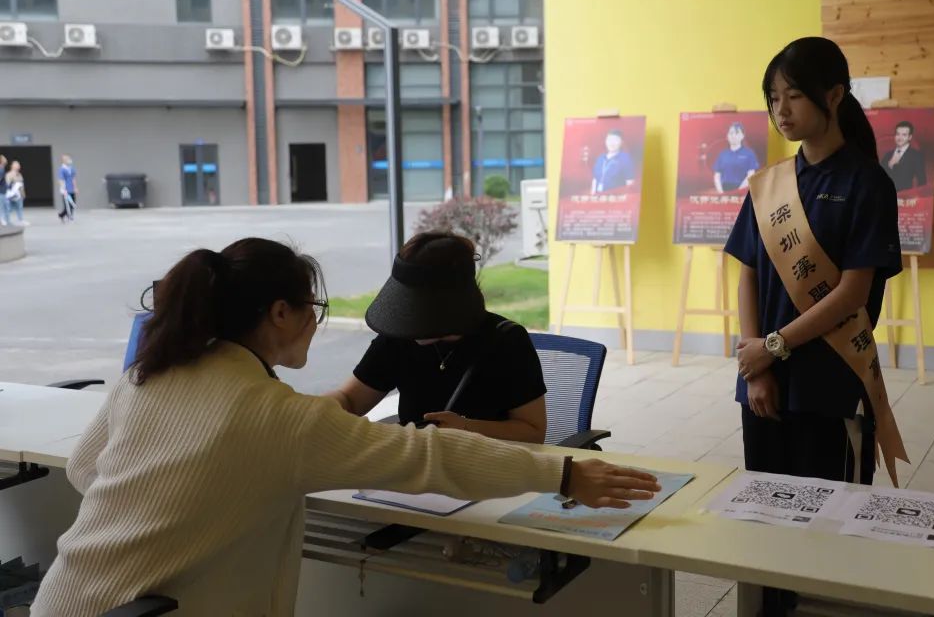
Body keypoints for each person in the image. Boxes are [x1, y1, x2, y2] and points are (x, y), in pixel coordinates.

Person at [31, 238, 659, 616]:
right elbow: (429, 458)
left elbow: (87, 471)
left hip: (65, 600)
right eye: (313, 307)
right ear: (281, 312)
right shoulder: (278, 419)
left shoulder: (148, 373)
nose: (317, 320)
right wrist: (564, 475)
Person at [725, 37, 904, 615]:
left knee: (831, 525)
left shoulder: (867, 184)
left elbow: (853, 293)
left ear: (834, 95)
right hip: (764, 385)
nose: (780, 110)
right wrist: (757, 366)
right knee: (766, 518)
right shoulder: (769, 183)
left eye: (794, 95)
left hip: (830, 385)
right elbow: (747, 272)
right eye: (772, 98)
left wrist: (773, 347)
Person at [329, 232, 548, 443]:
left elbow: (533, 431)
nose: (405, 319)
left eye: (414, 310)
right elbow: (350, 400)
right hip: (418, 462)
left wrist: (465, 428)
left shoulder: (507, 341)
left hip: (487, 461)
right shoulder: (398, 337)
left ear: (449, 308)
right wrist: (312, 410)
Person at [712, 122, 761, 192]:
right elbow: (717, 175)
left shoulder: (749, 153)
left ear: (742, 136)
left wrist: (738, 191)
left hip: (743, 190)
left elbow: (751, 175)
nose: (733, 136)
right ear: (727, 136)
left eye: (737, 133)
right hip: (724, 190)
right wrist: (721, 192)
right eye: (731, 133)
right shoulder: (722, 154)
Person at [879, 120, 927, 191]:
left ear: (910, 137)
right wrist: (890, 164)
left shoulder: (916, 155)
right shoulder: (888, 155)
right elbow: (879, 177)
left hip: (905, 195)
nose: (899, 138)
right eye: (897, 134)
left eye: (904, 135)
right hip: (885, 194)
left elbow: (922, 180)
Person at [4, 160, 27, 226]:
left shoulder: (20, 174)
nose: (18, 166)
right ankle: (6, 221)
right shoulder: (9, 175)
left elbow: (22, 185)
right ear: (12, 166)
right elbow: (7, 184)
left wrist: (23, 194)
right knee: (8, 208)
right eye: (16, 165)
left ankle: (21, 220)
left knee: (19, 208)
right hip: (11, 195)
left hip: (19, 195)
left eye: (18, 165)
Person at [58, 153, 77, 223]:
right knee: (67, 204)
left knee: (73, 204)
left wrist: (75, 188)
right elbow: (61, 180)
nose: (69, 160)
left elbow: (73, 178)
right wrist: (63, 189)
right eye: (67, 159)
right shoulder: (62, 169)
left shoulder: (71, 168)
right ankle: (69, 217)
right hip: (65, 190)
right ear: (64, 160)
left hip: (72, 189)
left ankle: (61, 215)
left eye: (69, 159)